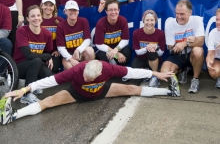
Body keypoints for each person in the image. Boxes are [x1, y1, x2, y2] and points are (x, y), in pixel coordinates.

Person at [0, 59, 180, 125]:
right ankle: (13, 116)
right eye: (85, 76)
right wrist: (24, 89)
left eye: (89, 77)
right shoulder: (76, 71)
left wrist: (156, 73)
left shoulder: (109, 69)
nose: (86, 78)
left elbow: (132, 72)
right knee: (48, 101)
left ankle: (168, 93)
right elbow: (49, 81)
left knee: (132, 88)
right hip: (76, 94)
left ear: (101, 73)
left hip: (102, 91)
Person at [160, 0, 205, 93]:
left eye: (182, 14)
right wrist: (187, 40)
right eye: (177, 13)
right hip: (177, 55)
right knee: (164, 72)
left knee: (198, 51)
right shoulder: (170, 23)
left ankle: (195, 79)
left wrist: (184, 43)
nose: (179, 17)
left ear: (190, 13)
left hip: (192, 54)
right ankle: (182, 70)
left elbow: (200, 41)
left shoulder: (196, 20)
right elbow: (170, 47)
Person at [13, 5, 53, 104]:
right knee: (36, 61)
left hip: (36, 63)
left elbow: (47, 51)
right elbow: (28, 55)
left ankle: (34, 86)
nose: (36, 18)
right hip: (19, 66)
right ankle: (26, 95)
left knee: (47, 74)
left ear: (41, 17)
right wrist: (47, 57)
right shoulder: (21, 31)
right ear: (27, 18)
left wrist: (49, 56)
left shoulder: (47, 34)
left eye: (38, 15)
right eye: (33, 16)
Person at [56, 0, 95, 70]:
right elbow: (60, 48)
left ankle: (87, 72)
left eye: (74, 10)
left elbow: (87, 40)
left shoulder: (83, 21)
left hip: (81, 51)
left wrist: (78, 50)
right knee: (71, 69)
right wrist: (71, 59)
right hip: (68, 54)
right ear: (65, 11)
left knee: (90, 51)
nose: (73, 12)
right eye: (70, 10)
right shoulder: (61, 26)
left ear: (78, 11)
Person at [132, 10, 165, 87]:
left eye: (152, 20)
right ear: (143, 20)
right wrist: (147, 48)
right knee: (134, 81)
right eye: (147, 20)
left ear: (155, 21)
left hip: (154, 59)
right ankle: (146, 72)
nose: (149, 23)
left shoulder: (160, 33)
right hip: (140, 58)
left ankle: (155, 75)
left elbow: (161, 53)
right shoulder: (136, 33)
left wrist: (155, 47)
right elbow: (137, 52)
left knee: (151, 51)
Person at [95, 0, 131, 66]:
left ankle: (120, 70)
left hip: (117, 46)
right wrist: (116, 53)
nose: (113, 12)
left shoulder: (123, 20)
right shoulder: (100, 23)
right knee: (103, 57)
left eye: (115, 9)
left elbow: (125, 40)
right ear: (106, 11)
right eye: (110, 10)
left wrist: (116, 50)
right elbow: (99, 44)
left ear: (119, 10)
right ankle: (111, 70)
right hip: (105, 48)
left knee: (127, 52)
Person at [40, 0, 64, 73]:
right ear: (41, 6)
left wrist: (58, 50)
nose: (48, 7)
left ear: (54, 7)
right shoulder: (37, 20)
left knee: (54, 68)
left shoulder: (59, 21)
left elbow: (64, 37)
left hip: (53, 52)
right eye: (46, 4)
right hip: (39, 52)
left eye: (51, 5)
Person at [206, 9, 220, 88]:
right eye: (217, 19)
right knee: (214, 71)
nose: (218, 22)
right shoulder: (213, 32)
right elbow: (210, 54)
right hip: (218, 59)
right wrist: (209, 62)